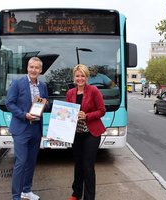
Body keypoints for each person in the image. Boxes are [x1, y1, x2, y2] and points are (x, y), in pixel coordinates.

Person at [5, 57, 48, 200]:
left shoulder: (42, 86)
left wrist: (45, 105)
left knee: (31, 162)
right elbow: (9, 103)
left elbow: (45, 103)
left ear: (41, 70)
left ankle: (26, 190)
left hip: (36, 129)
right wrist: (24, 115)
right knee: (21, 162)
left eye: (36, 68)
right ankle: (16, 196)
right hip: (21, 129)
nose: (33, 70)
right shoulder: (17, 83)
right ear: (27, 68)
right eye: (31, 67)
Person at [66, 64, 106, 200]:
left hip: (91, 133)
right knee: (78, 164)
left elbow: (102, 110)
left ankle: (89, 197)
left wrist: (87, 116)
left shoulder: (94, 91)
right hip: (76, 134)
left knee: (88, 166)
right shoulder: (70, 93)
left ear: (87, 77)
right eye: (77, 76)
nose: (80, 78)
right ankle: (76, 193)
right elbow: (66, 113)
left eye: (83, 75)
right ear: (74, 77)